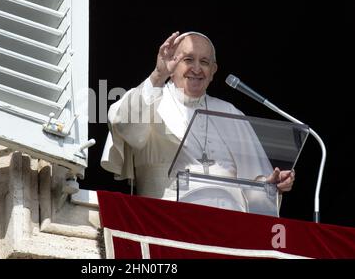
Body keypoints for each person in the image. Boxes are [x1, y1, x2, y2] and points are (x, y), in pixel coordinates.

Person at [100, 31, 295, 214]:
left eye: (204, 62)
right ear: (172, 63)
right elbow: (124, 125)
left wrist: (270, 186)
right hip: (167, 218)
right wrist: (158, 75)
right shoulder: (150, 99)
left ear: (213, 71)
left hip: (230, 224)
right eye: (188, 60)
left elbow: (254, 193)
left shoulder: (229, 112)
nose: (196, 68)